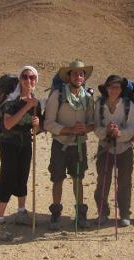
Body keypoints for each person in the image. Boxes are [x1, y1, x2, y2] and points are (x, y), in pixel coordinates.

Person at [0, 65, 42, 241]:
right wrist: (26, 106)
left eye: (32, 77)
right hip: (9, 143)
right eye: (25, 77)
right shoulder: (12, 101)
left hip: (25, 143)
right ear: (20, 79)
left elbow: (37, 128)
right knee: (8, 178)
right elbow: (8, 124)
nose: (29, 81)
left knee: (23, 177)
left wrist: (36, 123)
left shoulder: (36, 102)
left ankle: (21, 213)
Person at [44, 60, 95, 230]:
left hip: (79, 145)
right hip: (60, 144)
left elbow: (93, 122)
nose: (78, 76)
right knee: (57, 178)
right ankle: (56, 214)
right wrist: (69, 130)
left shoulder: (87, 98)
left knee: (78, 179)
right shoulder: (57, 95)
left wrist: (84, 128)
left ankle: (80, 214)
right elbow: (48, 124)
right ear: (68, 76)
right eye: (75, 73)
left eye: (81, 74)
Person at [94, 75, 134, 227]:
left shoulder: (128, 105)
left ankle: (124, 213)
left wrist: (119, 133)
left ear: (121, 89)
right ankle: (102, 212)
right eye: (111, 86)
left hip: (124, 148)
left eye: (117, 87)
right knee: (102, 182)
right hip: (105, 148)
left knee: (124, 182)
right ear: (106, 88)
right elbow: (96, 128)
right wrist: (106, 130)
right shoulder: (99, 105)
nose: (114, 90)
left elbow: (131, 129)